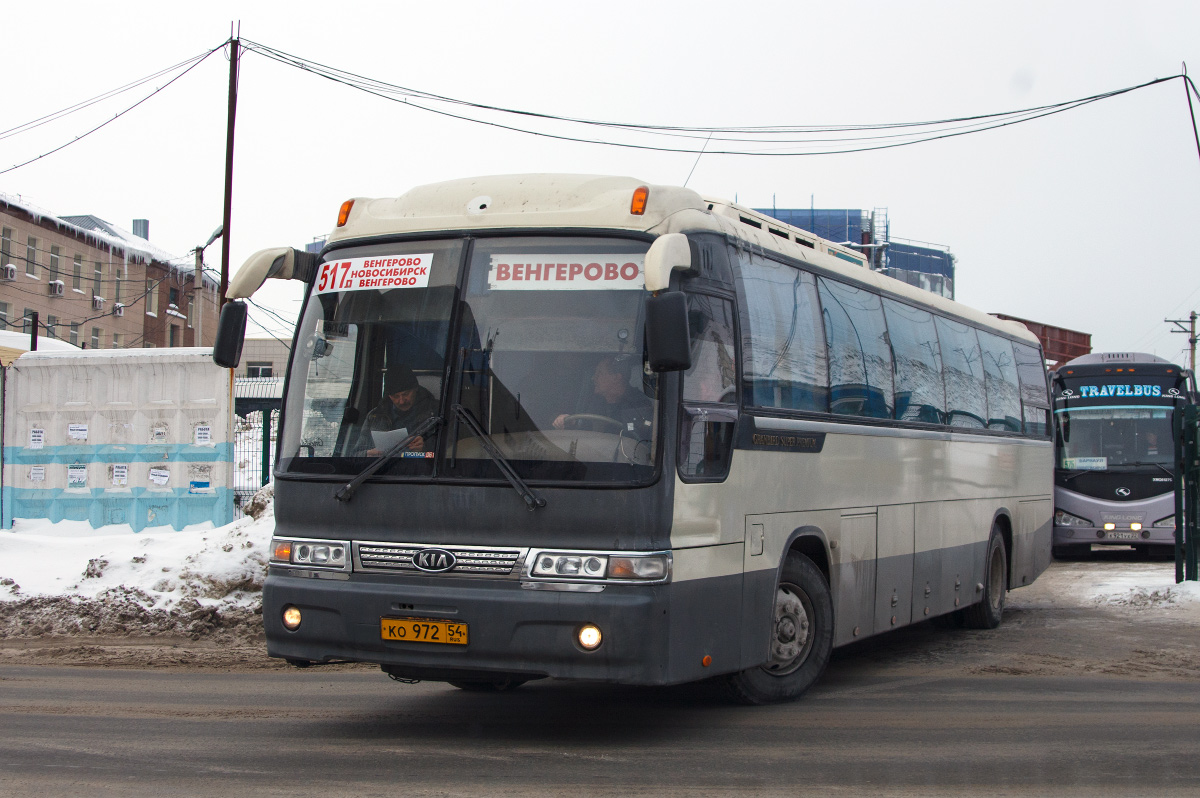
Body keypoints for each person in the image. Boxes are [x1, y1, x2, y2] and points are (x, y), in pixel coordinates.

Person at [553, 355, 653, 436]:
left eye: (599, 373)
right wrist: (570, 422)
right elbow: (585, 427)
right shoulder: (595, 401)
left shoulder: (639, 405)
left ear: (616, 378)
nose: (593, 378)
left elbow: (639, 439)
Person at [358, 364, 439, 456]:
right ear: (388, 396)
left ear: (416, 388)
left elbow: (448, 456)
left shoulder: (438, 413)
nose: (401, 401)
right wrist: (367, 455)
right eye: (395, 396)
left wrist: (426, 449)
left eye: (405, 394)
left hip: (422, 468)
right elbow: (355, 454)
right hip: (382, 469)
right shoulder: (375, 416)